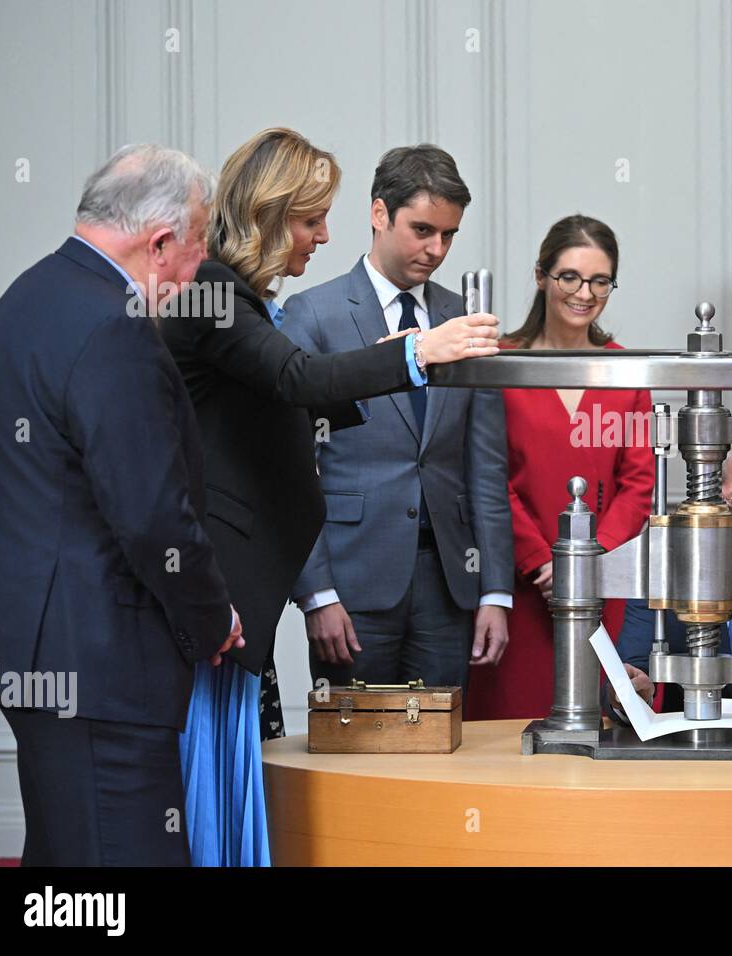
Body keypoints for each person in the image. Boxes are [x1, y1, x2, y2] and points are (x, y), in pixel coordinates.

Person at [158, 128, 499, 865]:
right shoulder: (216, 293)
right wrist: (418, 351)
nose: (321, 235)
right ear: (270, 213)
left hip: (241, 592)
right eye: (310, 218)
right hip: (219, 589)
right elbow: (300, 382)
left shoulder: (233, 296)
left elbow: (292, 394)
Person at [0, 144, 241, 865]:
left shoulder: (26, 296)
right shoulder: (114, 326)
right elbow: (154, 517)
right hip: (101, 664)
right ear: (158, 244)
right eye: (196, 251)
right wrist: (213, 617)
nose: (195, 276)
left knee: (67, 862)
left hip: (38, 653)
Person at [281, 144, 513, 693]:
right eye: (423, 230)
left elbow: (486, 467)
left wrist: (495, 592)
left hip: (450, 583)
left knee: (439, 760)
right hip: (351, 585)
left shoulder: (463, 319)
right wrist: (317, 594)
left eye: (449, 235)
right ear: (379, 213)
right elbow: (289, 471)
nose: (437, 249)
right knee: (353, 762)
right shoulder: (313, 316)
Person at [463, 215, 653, 721]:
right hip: (518, 589)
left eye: (600, 280)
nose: (584, 293)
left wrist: (590, 562)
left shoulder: (627, 372)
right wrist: (541, 564)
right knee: (506, 735)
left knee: (594, 734)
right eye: (569, 276)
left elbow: (638, 483)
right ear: (541, 276)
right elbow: (486, 477)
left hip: (598, 587)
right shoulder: (500, 363)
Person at [609, 426, 732, 733]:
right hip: (682, 748)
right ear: (715, 495)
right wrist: (630, 693)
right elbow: (631, 665)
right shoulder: (665, 551)